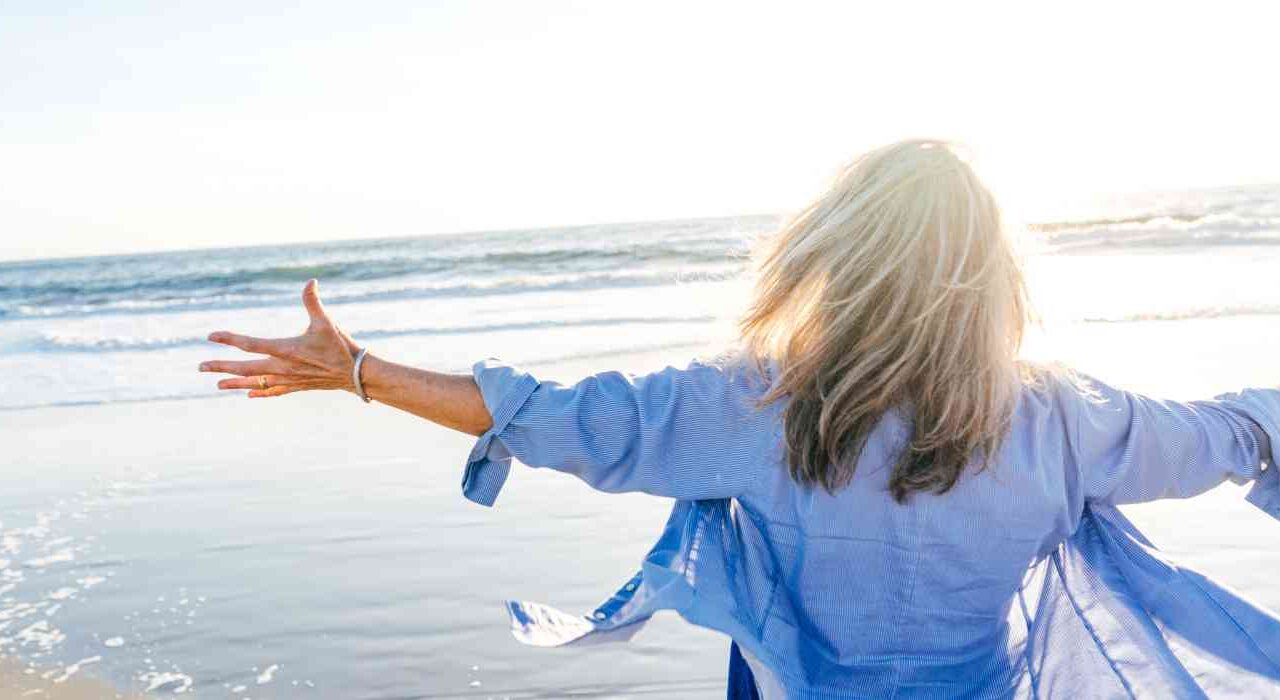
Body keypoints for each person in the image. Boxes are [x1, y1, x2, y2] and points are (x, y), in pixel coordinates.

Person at [199, 140, 1280, 698]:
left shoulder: (751, 406)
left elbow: (563, 419)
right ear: (993, 270)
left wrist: (360, 372)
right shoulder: (1063, 420)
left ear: (833, 256)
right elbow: (1236, 433)